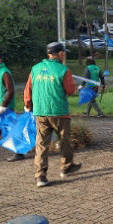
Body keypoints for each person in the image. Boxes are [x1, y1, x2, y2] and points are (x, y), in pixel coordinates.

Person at [24, 42, 80, 187]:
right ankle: (66, 167)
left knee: (41, 144)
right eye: (64, 53)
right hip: (59, 112)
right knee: (64, 141)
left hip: (40, 112)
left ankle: (40, 176)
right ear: (60, 53)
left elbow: (28, 88)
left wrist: (28, 105)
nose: (64, 55)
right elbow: (70, 90)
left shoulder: (35, 69)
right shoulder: (63, 70)